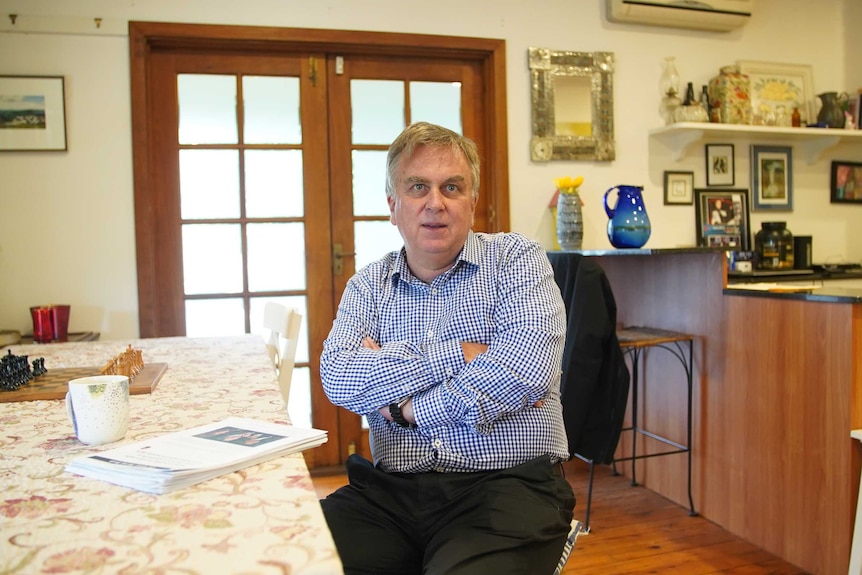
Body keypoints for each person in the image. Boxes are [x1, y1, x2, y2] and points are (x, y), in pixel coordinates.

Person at [319, 122, 575, 575]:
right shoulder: (368, 286)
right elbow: (339, 376)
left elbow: (526, 368)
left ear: (472, 202)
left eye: (452, 187)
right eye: (418, 187)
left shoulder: (517, 260)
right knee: (295, 558)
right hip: (390, 492)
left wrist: (407, 410)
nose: (435, 202)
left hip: (506, 485)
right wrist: (458, 354)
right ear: (393, 206)